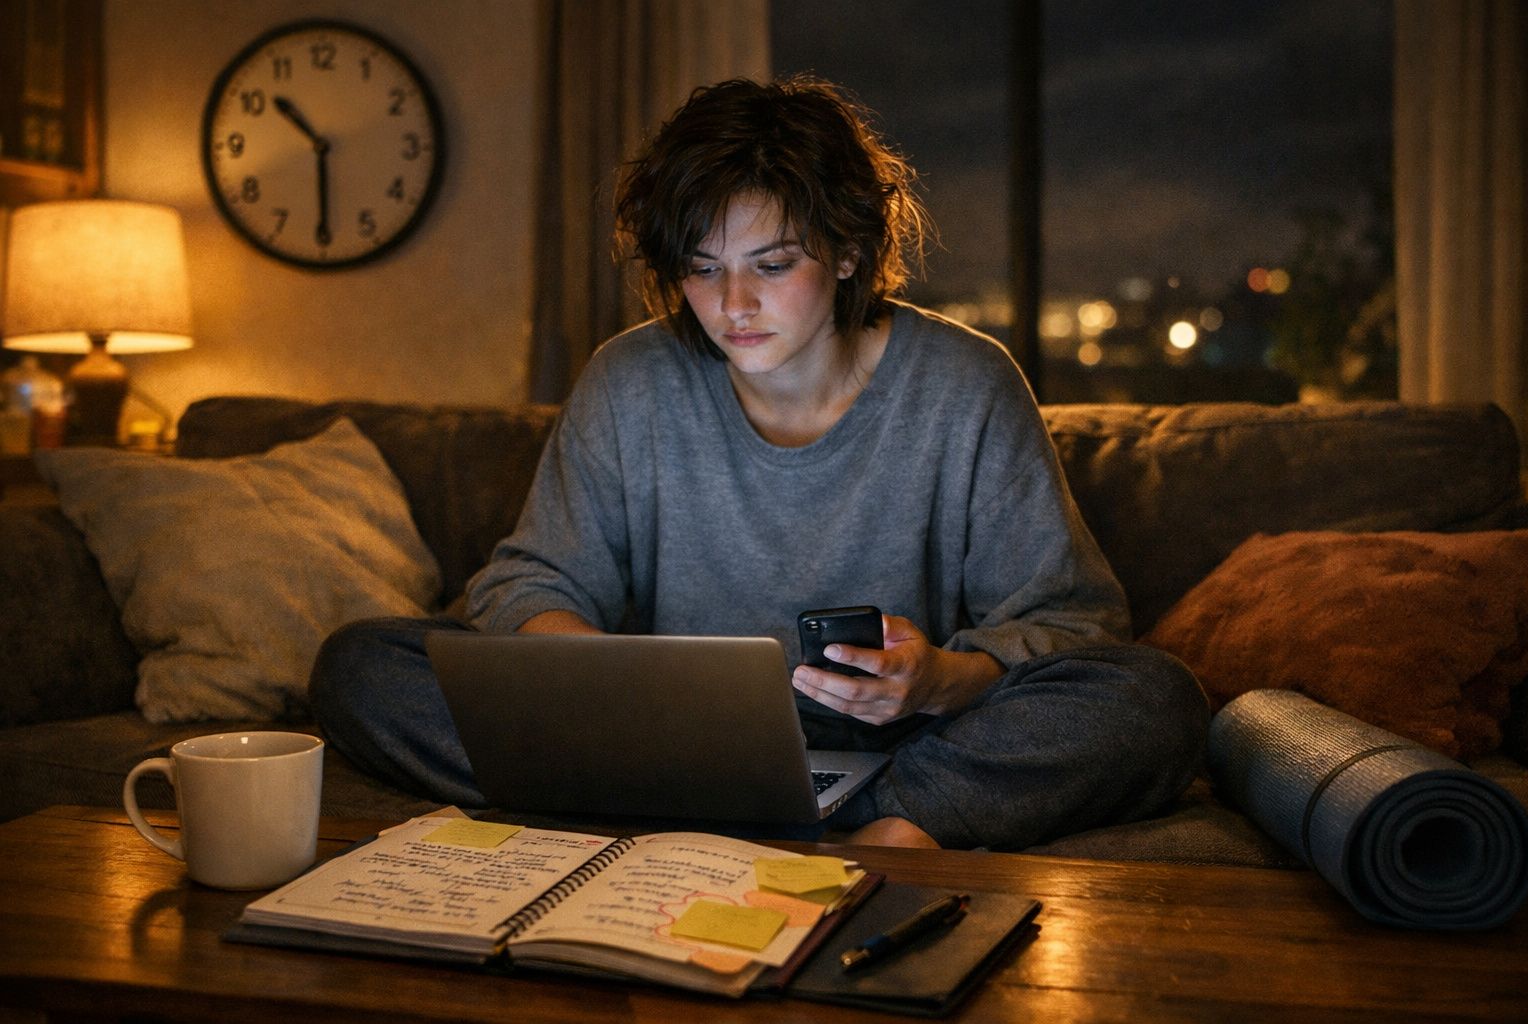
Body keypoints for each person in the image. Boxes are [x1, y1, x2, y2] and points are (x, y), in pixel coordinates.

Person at [310, 76, 1208, 850]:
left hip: (895, 754)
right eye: (703, 271)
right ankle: (703, 806)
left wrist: (939, 677)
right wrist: (611, 689)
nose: (733, 305)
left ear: (848, 251)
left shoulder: (964, 383)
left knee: (1153, 701)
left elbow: (1074, 624)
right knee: (360, 666)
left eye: (771, 265)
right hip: (659, 749)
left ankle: (878, 818)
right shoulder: (631, 379)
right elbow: (526, 586)